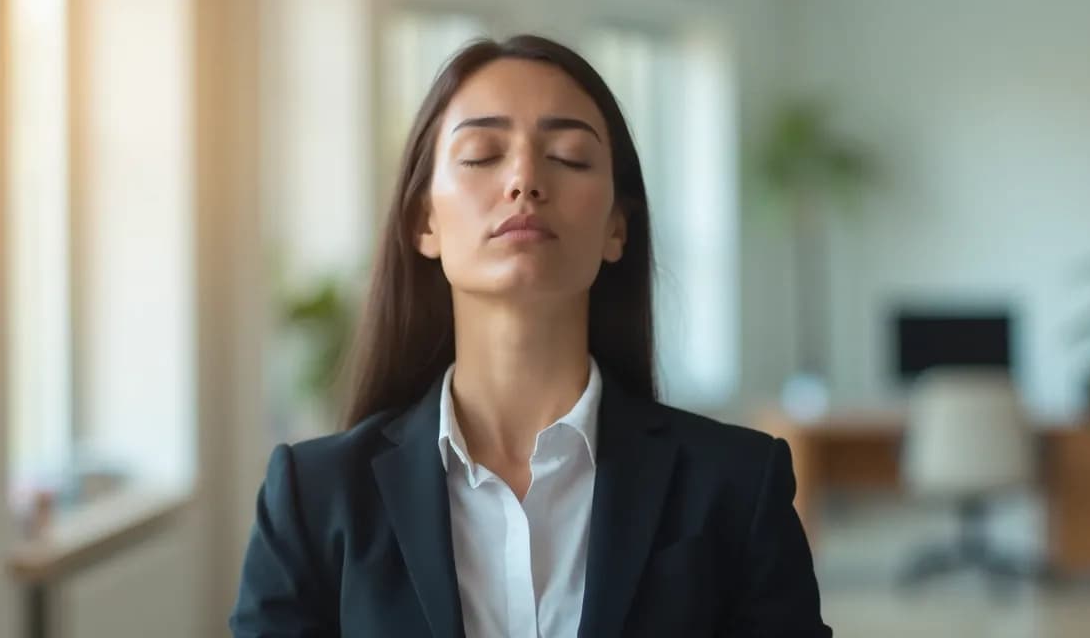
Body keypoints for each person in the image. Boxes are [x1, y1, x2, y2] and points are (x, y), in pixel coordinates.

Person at [231, 34, 830, 638]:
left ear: (616, 229)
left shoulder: (736, 486)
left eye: (569, 156)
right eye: (482, 155)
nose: (524, 180)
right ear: (423, 221)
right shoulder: (312, 500)